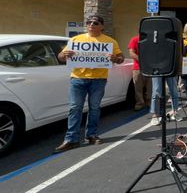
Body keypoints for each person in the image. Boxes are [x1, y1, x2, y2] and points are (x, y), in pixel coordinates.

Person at [54, 15, 124, 152]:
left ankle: (91, 135)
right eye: (89, 22)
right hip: (78, 78)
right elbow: (61, 57)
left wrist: (115, 58)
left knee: (95, 108)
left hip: (99, 80)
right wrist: (64, 55)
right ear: (86, 25)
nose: (91, 24)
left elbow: (120, 58)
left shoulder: (110, 42)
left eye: (95, 22)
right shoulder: (75, 40)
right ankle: (71, 139)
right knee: (75, 108)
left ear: (102, 26)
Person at [127, 34, 151, 111]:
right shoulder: (134, 39)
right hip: (138, 68)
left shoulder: (153, 40)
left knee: (151, 87)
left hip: (151, 68)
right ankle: (140, 103)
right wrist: (143, 61)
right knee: (138, 87)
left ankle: (150, 102)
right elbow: (131, 53)